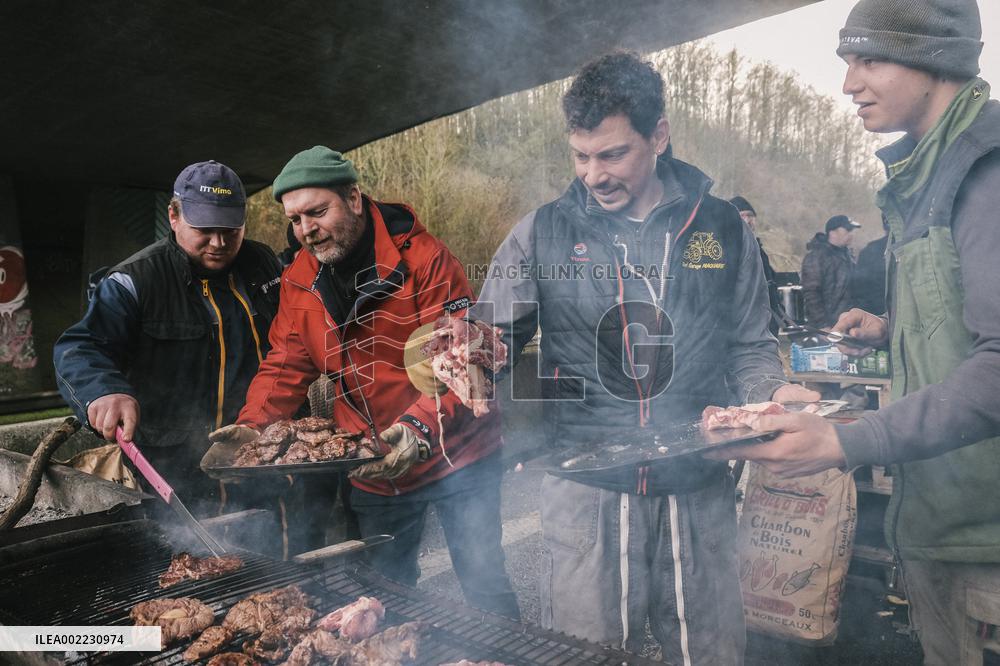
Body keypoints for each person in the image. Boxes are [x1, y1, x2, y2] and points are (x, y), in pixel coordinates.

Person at [470, 52, 817, 664]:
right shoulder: (541, 233)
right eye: (580, 156)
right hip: (585, 491)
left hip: (699, 483)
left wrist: (774, 392)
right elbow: (486, 341)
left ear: (659, 135)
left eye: (612, 155)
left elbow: (750, 346)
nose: (593, 175)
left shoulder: (721, 229)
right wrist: (466, 359)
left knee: (711, 655)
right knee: (584, 655)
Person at [716, 1, 1000, 663]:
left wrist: (851, 439)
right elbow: (969, 318)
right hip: (945, 521)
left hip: (988, 539)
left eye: (870, 58)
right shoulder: (927, 173)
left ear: (935, 58)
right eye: (847, 61)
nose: (848, 83)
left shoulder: (985, 171)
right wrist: (893, 329)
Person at [212, 146, 520, 619]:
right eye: (295, 220)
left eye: (317, 212)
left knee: (484, 584)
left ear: (354, 198)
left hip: (460, 456)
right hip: (374, 467)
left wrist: (417, 430)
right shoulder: (298, 280)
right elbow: (284, 366)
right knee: (384, 596)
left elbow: (465, 361)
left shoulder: (427, 261)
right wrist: (254, 427)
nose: (306, 230)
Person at [54, 160, 282, 518]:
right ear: (174, 215)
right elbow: (81, 347)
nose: (219, 242)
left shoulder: (264, 264)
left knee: (278, 549)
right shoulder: (133, 281)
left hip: (261, 454)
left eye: (230, 229)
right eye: (204, 229)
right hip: (174, 466)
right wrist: (102, 389)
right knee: (186, 560)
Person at [730, 196, 780, 333]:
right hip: (743, 327)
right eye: (741, 216)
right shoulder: (725, 252)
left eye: (750, 215)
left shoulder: (759, 251)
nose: (747, 220)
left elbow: (769, 286)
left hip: (765, 323)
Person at [800, 214, 860, 328]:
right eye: (847, 230)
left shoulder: (848, 256)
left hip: (847, 324)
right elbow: (811, 293)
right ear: (832, 233)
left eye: (852, 230)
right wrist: (822, 325)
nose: (851, 234)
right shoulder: (816, 257)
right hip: (827, 327)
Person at [851, 215, 889, 314]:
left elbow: (859, 288)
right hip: (879, 313)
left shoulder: (870, 249)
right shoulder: (871, 250)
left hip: (876, 315)